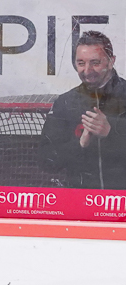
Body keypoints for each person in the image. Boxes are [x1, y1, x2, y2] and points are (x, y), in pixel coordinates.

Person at [38, 31, 126, 189]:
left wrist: (112, 131)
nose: (87, 70)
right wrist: (80, 143)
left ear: (111, 61)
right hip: (80, 201)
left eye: (95, 62)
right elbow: (46, 161)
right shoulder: (65, 102)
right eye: (81, 63)